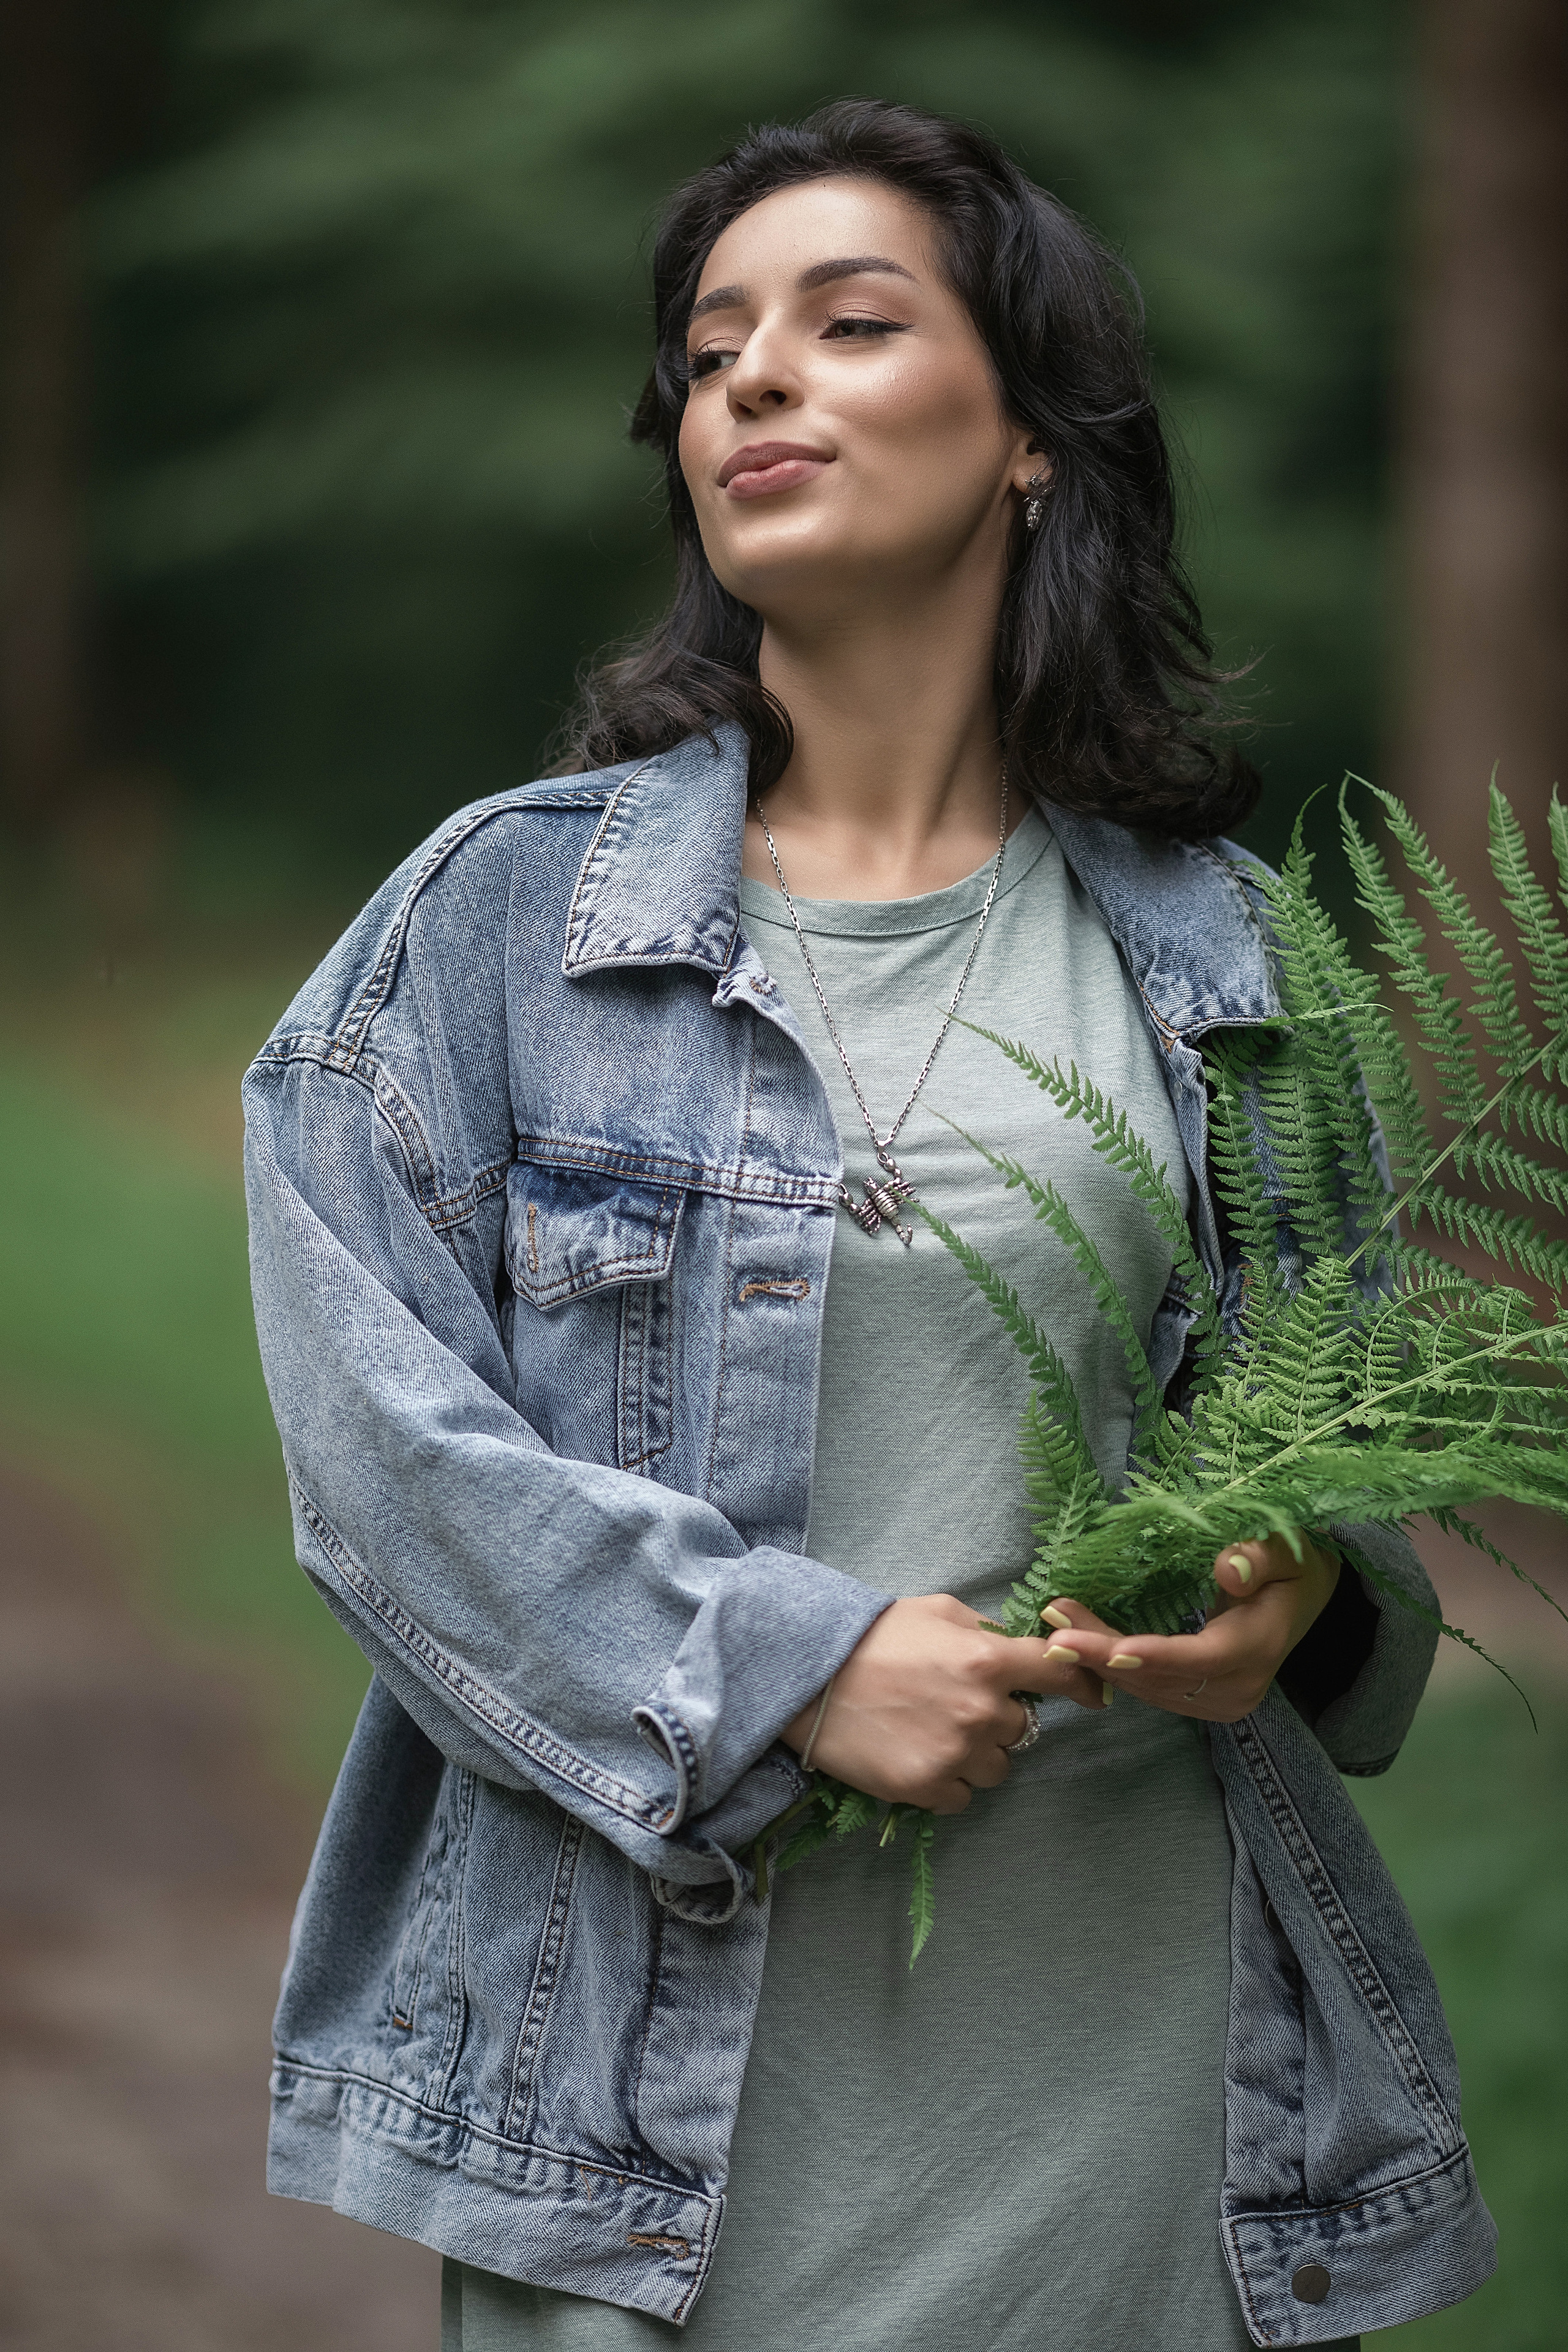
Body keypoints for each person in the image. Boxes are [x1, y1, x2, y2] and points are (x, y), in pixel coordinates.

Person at [243, 100, 1494, 2352]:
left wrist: (1296, 1591)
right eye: (713, 347)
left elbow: (1349, 1431)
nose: (750, 377)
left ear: (1033, 440)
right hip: (651, 2112)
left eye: (846, 322)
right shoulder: (503, 925)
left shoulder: (1228, 957)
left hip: (1142, 2079)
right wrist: (791, 1669)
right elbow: (379, 1459)